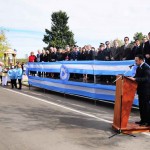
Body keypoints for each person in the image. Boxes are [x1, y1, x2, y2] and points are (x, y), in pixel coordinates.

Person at [128, 54, 150, 126]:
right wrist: (130, 78)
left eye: (136, 60)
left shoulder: (146, 67)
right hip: (140, 90)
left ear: (141, 60)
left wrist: (135, 79)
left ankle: (147, 121)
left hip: (146, 90)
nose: (135, 62)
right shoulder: (138, 68)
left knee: (145, 106)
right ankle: (142, 120)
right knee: (141, 106)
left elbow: (146, 79)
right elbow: (136, 77)